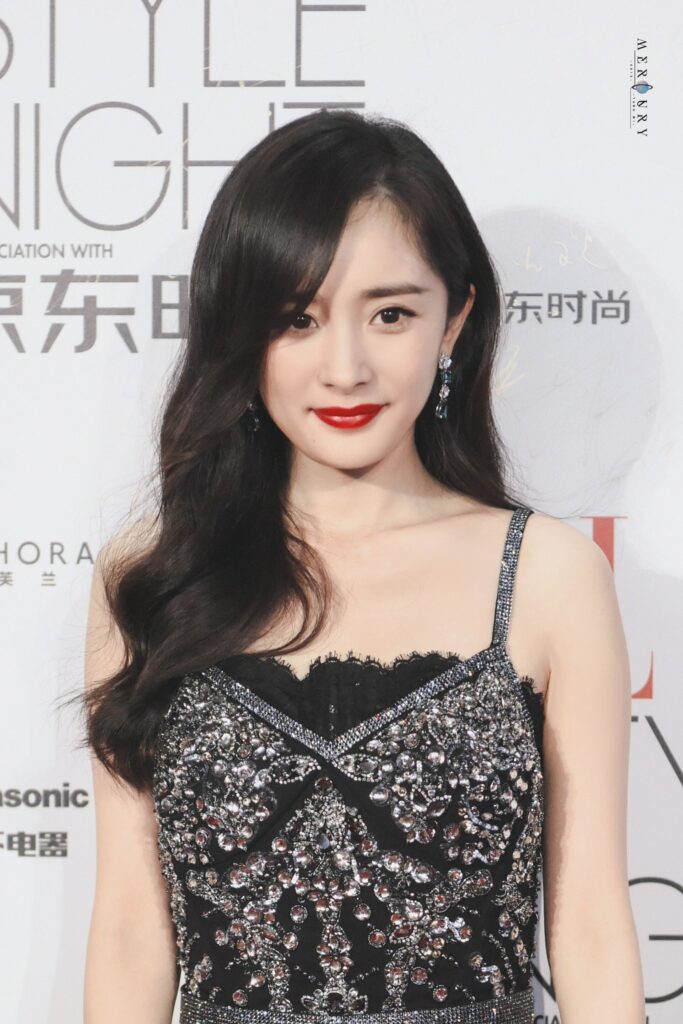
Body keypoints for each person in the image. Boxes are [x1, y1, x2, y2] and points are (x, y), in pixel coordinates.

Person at [76, 110, 645, 1023]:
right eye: (296, 319)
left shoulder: (548, 575)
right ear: (240, 332)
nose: (344, 368)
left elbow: (589, 929)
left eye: (389, 314)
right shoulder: (152, 575)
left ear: (454, 321)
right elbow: (130, 932)